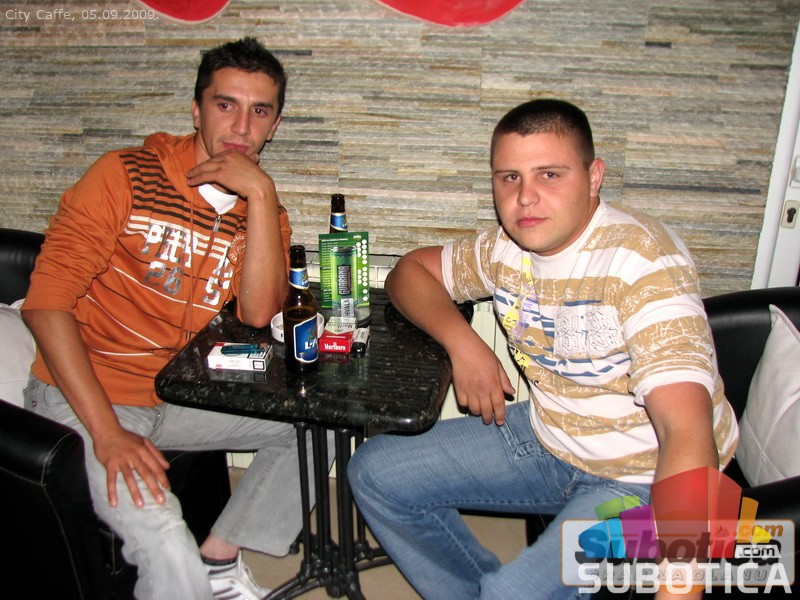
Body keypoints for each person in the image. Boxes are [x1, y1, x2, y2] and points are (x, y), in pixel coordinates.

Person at [348, 99, 739, 599]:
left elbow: (685, 431)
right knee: (376, 472)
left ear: (594, 176)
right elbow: (409, 272)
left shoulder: (643, 263)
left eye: (549, 174)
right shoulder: (506, 248)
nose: (525, 197)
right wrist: (464, 343)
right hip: (549, 437)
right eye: (509, 177)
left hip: (640, 477)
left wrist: (680, 587)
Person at [22, 37, 315, 600]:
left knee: (317, 426)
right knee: (165, 546)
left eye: (260, 111)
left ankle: (220, 562)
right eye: (225, 105)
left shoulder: (265, 212)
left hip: (174, 394)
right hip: (88, 396)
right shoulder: (126, 175)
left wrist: (260, 193)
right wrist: (107, 433)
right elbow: (45, 303)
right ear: (196, 110)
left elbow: (258, 313)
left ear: (275, 124)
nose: (242, 126)